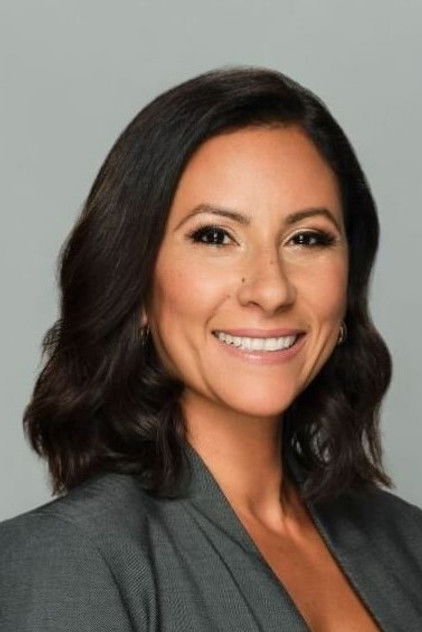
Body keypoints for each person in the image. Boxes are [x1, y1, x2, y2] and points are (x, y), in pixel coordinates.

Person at [0, 66, 421, 632]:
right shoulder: (68, 561)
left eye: (307, 238)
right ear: (138, 285)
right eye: (215, 236)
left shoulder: (408, 543)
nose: (270, 289)